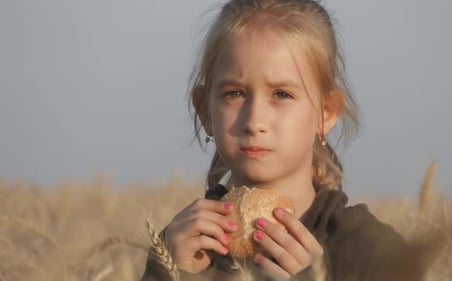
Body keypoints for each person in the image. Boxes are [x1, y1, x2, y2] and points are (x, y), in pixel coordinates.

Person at [142, 0, 422, 280]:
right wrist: (170, 274)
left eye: (282, 94)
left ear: (326, 112)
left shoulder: (373, 251)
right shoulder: (183, 244)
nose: (254, 121)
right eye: (234, 93)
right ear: (205, 110)